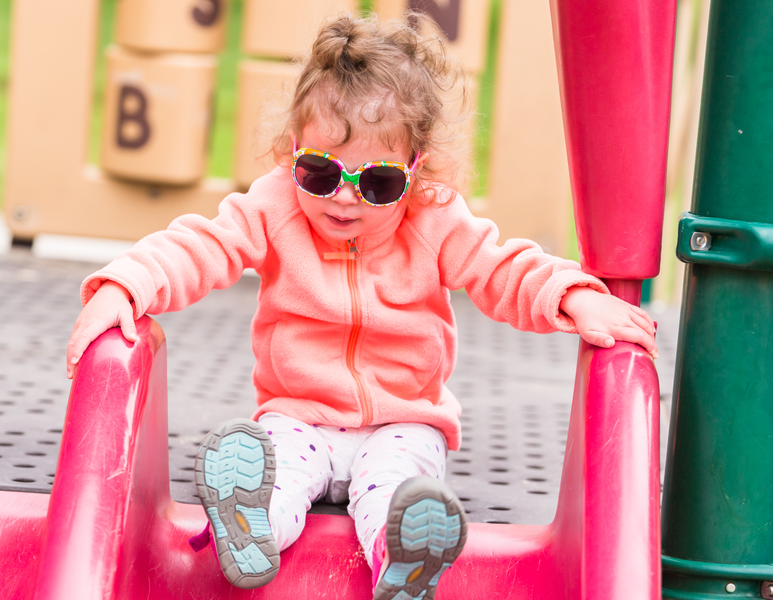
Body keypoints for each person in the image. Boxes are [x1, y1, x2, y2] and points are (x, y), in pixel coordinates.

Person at [65, 13, 658, 600]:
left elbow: (502, 268)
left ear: (416, 172)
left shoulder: (434, 219)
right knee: (278, 472)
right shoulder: (276, 208)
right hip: (299, 413)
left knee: (396, 491)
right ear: (292, 152)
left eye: (377, 183)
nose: (344, 196)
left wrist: (573, 296)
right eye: (319, 172)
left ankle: (402, 561)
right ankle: (251, 528)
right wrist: (127, 284)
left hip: (404, 419)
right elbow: (201, 245)